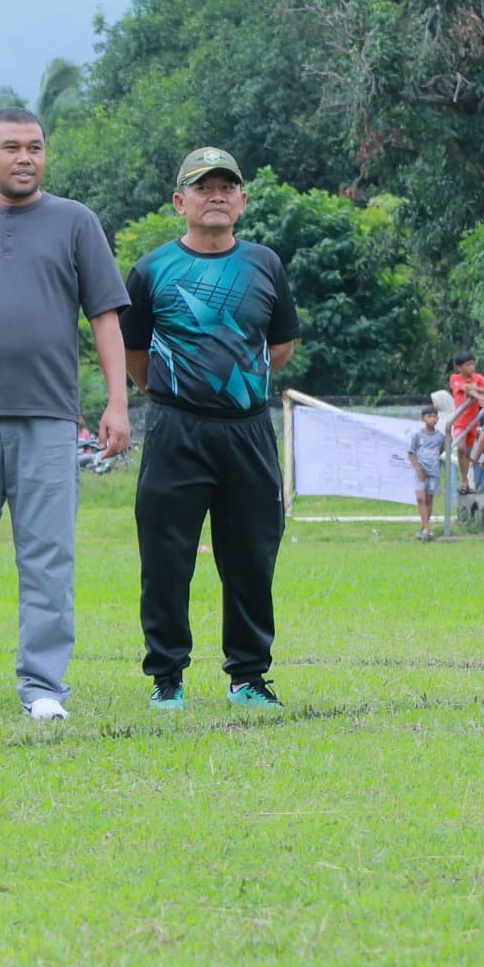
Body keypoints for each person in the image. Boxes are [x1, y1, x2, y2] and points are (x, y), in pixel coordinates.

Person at [0, 107, 131, 720]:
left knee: (47, 555)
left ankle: (44, 687)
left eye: (36, 148)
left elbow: (104, 315)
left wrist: (118, 403)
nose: (25, 158)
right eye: (12, 147)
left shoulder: (75, 221)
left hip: (50, 416)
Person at [122, 146, 298, 710]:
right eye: (203, 187)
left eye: (227, 186)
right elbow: (135, 354)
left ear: (243, 201)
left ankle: (248, 677)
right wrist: (182, 393)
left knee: (251, 555)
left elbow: (281, 345)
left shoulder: (265, 264)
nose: (216, 195)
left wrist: (236, 384)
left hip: (248, 431)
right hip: (177, 430)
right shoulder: (151, 270)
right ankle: (166, 678)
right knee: (166, 557)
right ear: (180, 202)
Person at [445, 354, 484, 493]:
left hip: (473, 421)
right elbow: (466, 389)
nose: (472, 367)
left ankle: (466, 481)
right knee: (460, 448)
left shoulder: (478, 377)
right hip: (460, 421)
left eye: (473, 364)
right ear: (459, 367)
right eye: (468, 365)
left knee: (467, 452)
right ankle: (464, 480)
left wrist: (477, 389)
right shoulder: (455, 378)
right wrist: (480, 398)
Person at [406, 404, 447, 541]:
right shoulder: (417, 435)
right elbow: (411, 454)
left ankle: (425, 527)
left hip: (433, 472)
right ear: (423, 418)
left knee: (429, 499)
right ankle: (426, 526)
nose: (432, 419)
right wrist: (418, 469)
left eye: (435, 416)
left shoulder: (440, 437)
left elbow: (442, 450)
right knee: (420, 498)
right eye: (429, 416)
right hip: (421, 471)